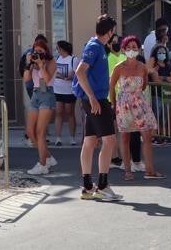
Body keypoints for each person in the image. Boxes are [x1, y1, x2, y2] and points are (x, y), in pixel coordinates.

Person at [73, 14, 122, 201]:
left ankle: (87, 187)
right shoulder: (94, 46)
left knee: (90, 141)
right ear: (109, 32)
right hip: (96, 100)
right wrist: (93, 98)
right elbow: (80, 71)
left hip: (94, 99)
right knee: (109, 141)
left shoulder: (98, 46)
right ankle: (102, 185)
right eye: (113, 32)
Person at [109, 36, 164, 181]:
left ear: (138, 49)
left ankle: (150, 170)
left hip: (140, 103)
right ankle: (127, 171)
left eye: (134, 47)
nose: (131, 50)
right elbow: (112, 86)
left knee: (146, 135)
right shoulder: (119, 67)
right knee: (125, 137)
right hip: (124, 104)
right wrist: (114, 104)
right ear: (123, 49)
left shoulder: (142, 67)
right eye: (128, 47)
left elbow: (144, 85)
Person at [24, 39, 58, 175]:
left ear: (46, 51)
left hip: (47, 94)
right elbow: (27, 79)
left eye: (40, 51)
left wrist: (41, 65)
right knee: (30, 131)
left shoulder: (52, 62)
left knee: (40, 132)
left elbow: (48, 79)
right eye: (35, 51)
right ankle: (48, 157)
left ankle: (43, 164)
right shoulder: (33, 62)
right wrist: (28, 64)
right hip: (35, 94)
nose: (37, 53)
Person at [106, 34, 127, 170]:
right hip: (112, 98)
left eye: (117, 42)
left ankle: (122, 157)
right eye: (112, 42)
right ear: (108, 45)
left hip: (125, 98)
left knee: (122, 130)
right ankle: (114, 157)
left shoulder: (123, 57)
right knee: (113, 130)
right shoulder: (108, 59)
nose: (116, 44)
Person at [53, 41, 79, 146]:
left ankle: (72, 137)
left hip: (69, 90)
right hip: (58, 89)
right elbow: (55, 73)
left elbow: (76, 73)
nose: (57, 50)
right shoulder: (57, 59)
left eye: (58, 48)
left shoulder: (74, 59)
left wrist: (70, 76)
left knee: (70, 113)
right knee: (58, 113)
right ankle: (58, 138)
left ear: (62, 49)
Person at [150, 45, 171, 138]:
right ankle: (154, 136)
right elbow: (156, 80)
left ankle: (162, 135)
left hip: (166, 94)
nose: (162, 54)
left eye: (163, 52)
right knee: (156, 114)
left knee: (164, 116)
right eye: (160, 52)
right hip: (156, 94)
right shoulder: (154, 66)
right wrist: (167, 79)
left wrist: (163, 78)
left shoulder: (168, 66)